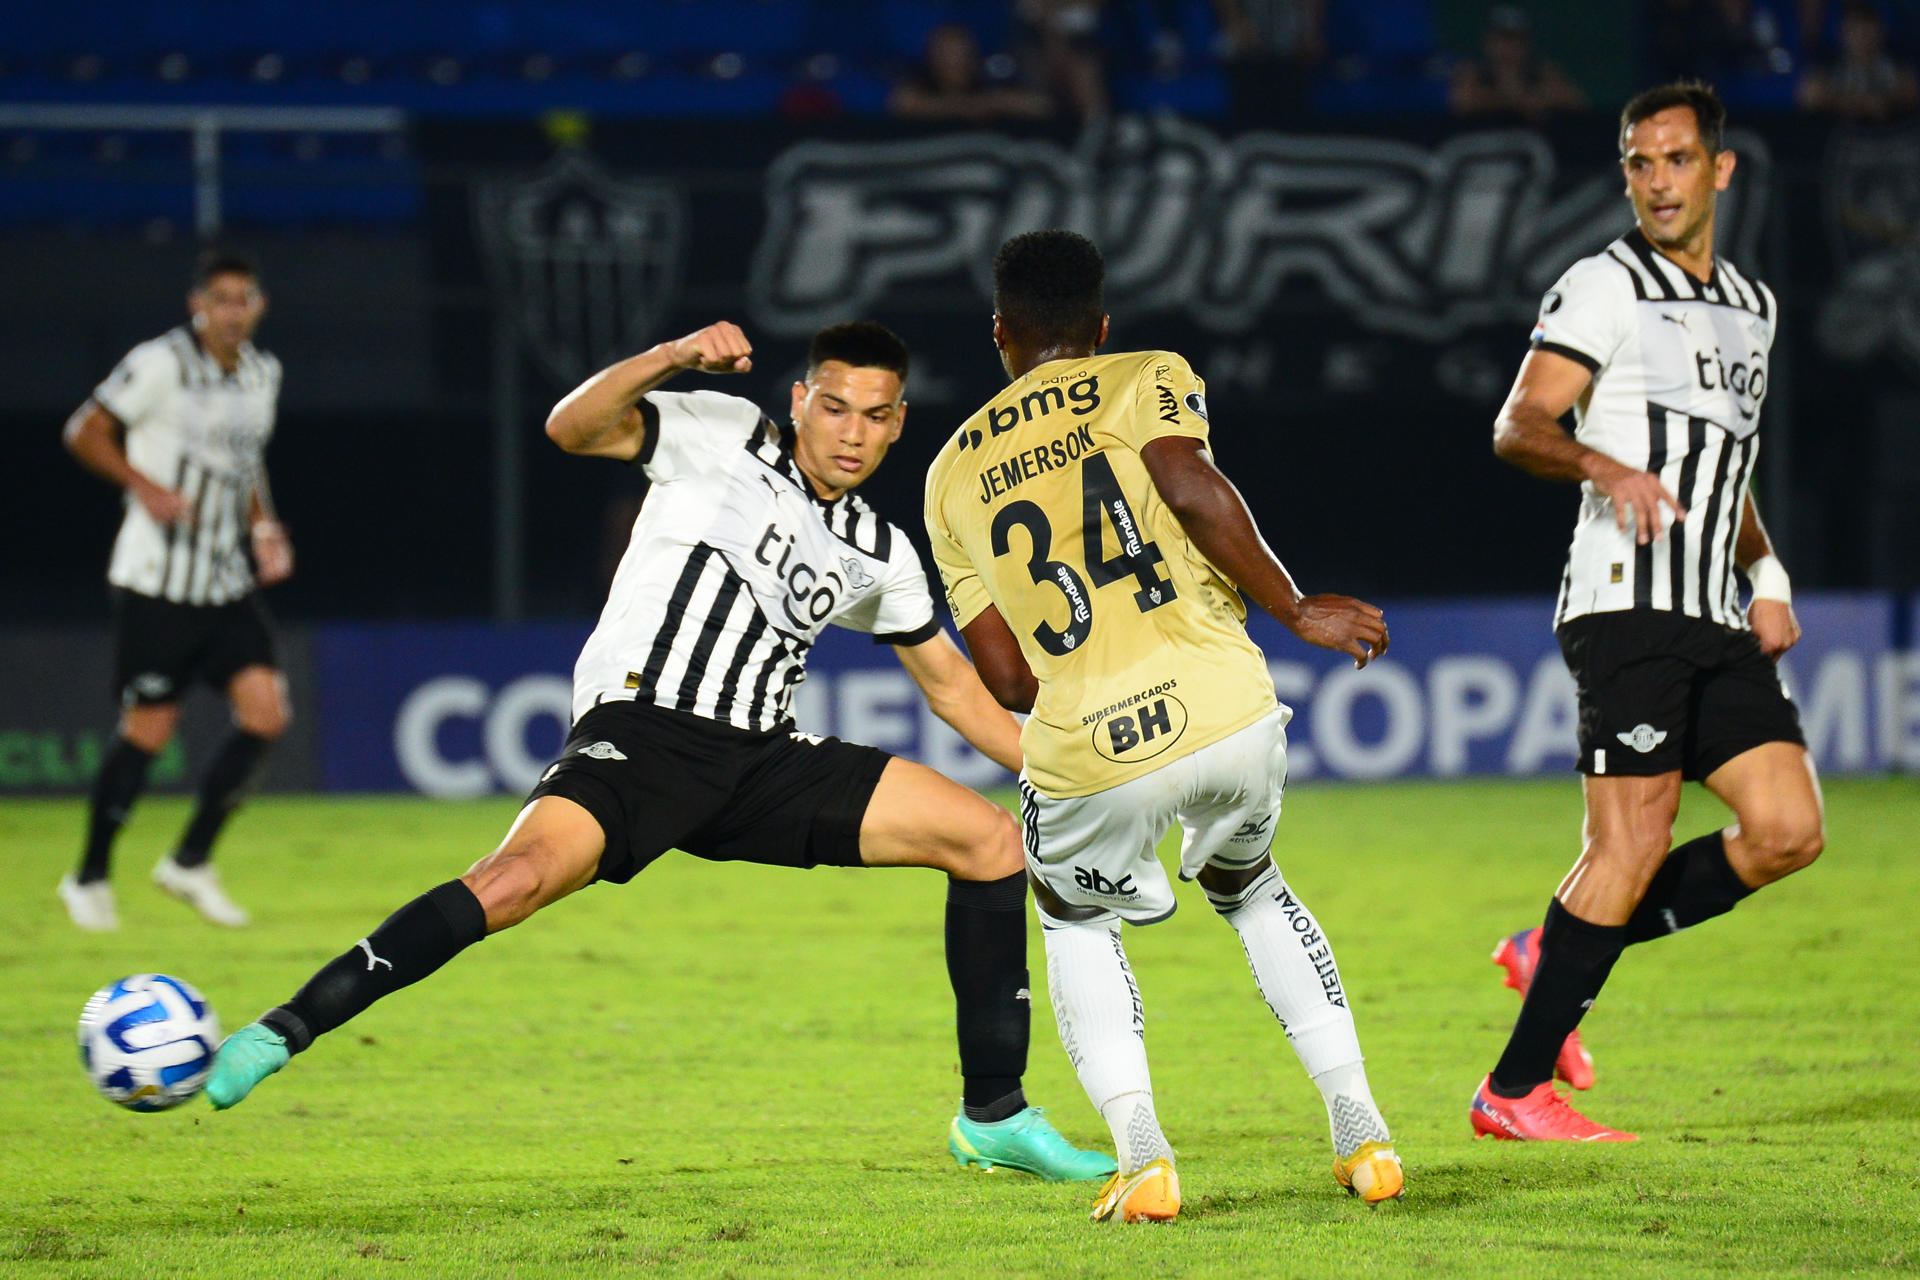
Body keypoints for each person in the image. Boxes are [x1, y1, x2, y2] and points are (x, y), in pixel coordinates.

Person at [203, 319, 1114, 1184]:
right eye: (835, 407)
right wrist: (672, 355)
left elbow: (953, 689)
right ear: (799, 400)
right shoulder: (720, 432)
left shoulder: (879, 549)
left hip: (764, 759)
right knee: (511, 882)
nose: (852, 433)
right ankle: (288, 1026)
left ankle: (993, 1116)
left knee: (989, 841)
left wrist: (1080, 767)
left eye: (875, 416)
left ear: (897, 424)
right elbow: (571, 427)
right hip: (645, 734)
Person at [923, 230, 1402, 1223]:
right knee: (1254, 886)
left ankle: (1143, 1153)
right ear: (1100, 327)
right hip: (1226, 704)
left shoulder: (947, 475)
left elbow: (1008, 676)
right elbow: (1187, 483)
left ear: (1001, 333)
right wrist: (1295, 606)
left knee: (1073, 916)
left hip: (1090, 743)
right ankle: (1362, 1129)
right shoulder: (1149, 372)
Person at [1474, 80, 1824, 1142]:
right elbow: (1520, 422)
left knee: (1786, 829)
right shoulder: (1603, 284)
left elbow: (1730, 472)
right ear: (1625, 173)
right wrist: (1605, 466)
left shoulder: (1756, 309)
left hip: (1716, 609)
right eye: (1639, 162)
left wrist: (1769, 577)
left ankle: (1560, 944)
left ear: (1719, 170)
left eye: (1677, 160)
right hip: (1625, 602)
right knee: (1628, 844)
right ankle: (1514, 1089)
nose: (1658, 181)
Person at [57, 248, 293, 932]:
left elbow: (247, 464)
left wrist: (264, 525)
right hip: (157, 580)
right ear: (197, 305)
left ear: (259, 307)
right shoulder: (160, 364)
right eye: (219, 299)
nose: (231, 311)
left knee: (267, 714)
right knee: (149, 733)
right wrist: (145, 486)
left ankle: (190, 861)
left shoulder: (262, 374)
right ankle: (89, 876)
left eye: (243, 298)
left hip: (223, 579)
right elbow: (85, 430)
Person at [887, 23, 1056, 123]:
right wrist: (964, 107)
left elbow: (1042, 105)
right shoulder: (920, 83)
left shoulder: (987, 83)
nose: (954, 62)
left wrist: (994, 103)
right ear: (932, 58)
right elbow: (903, 104)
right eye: (946, 55)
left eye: (960, 54)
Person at [1447, 5, 1587, 123]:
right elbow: (1462, 102)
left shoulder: (1541, 70)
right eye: (1503, 40)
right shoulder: (1475, 71)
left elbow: (1577, 102)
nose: (1510, 47)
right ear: (1489, 42)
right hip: (1484, 146)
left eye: (1517, 40)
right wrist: (1514, 101)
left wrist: (1543, 99)